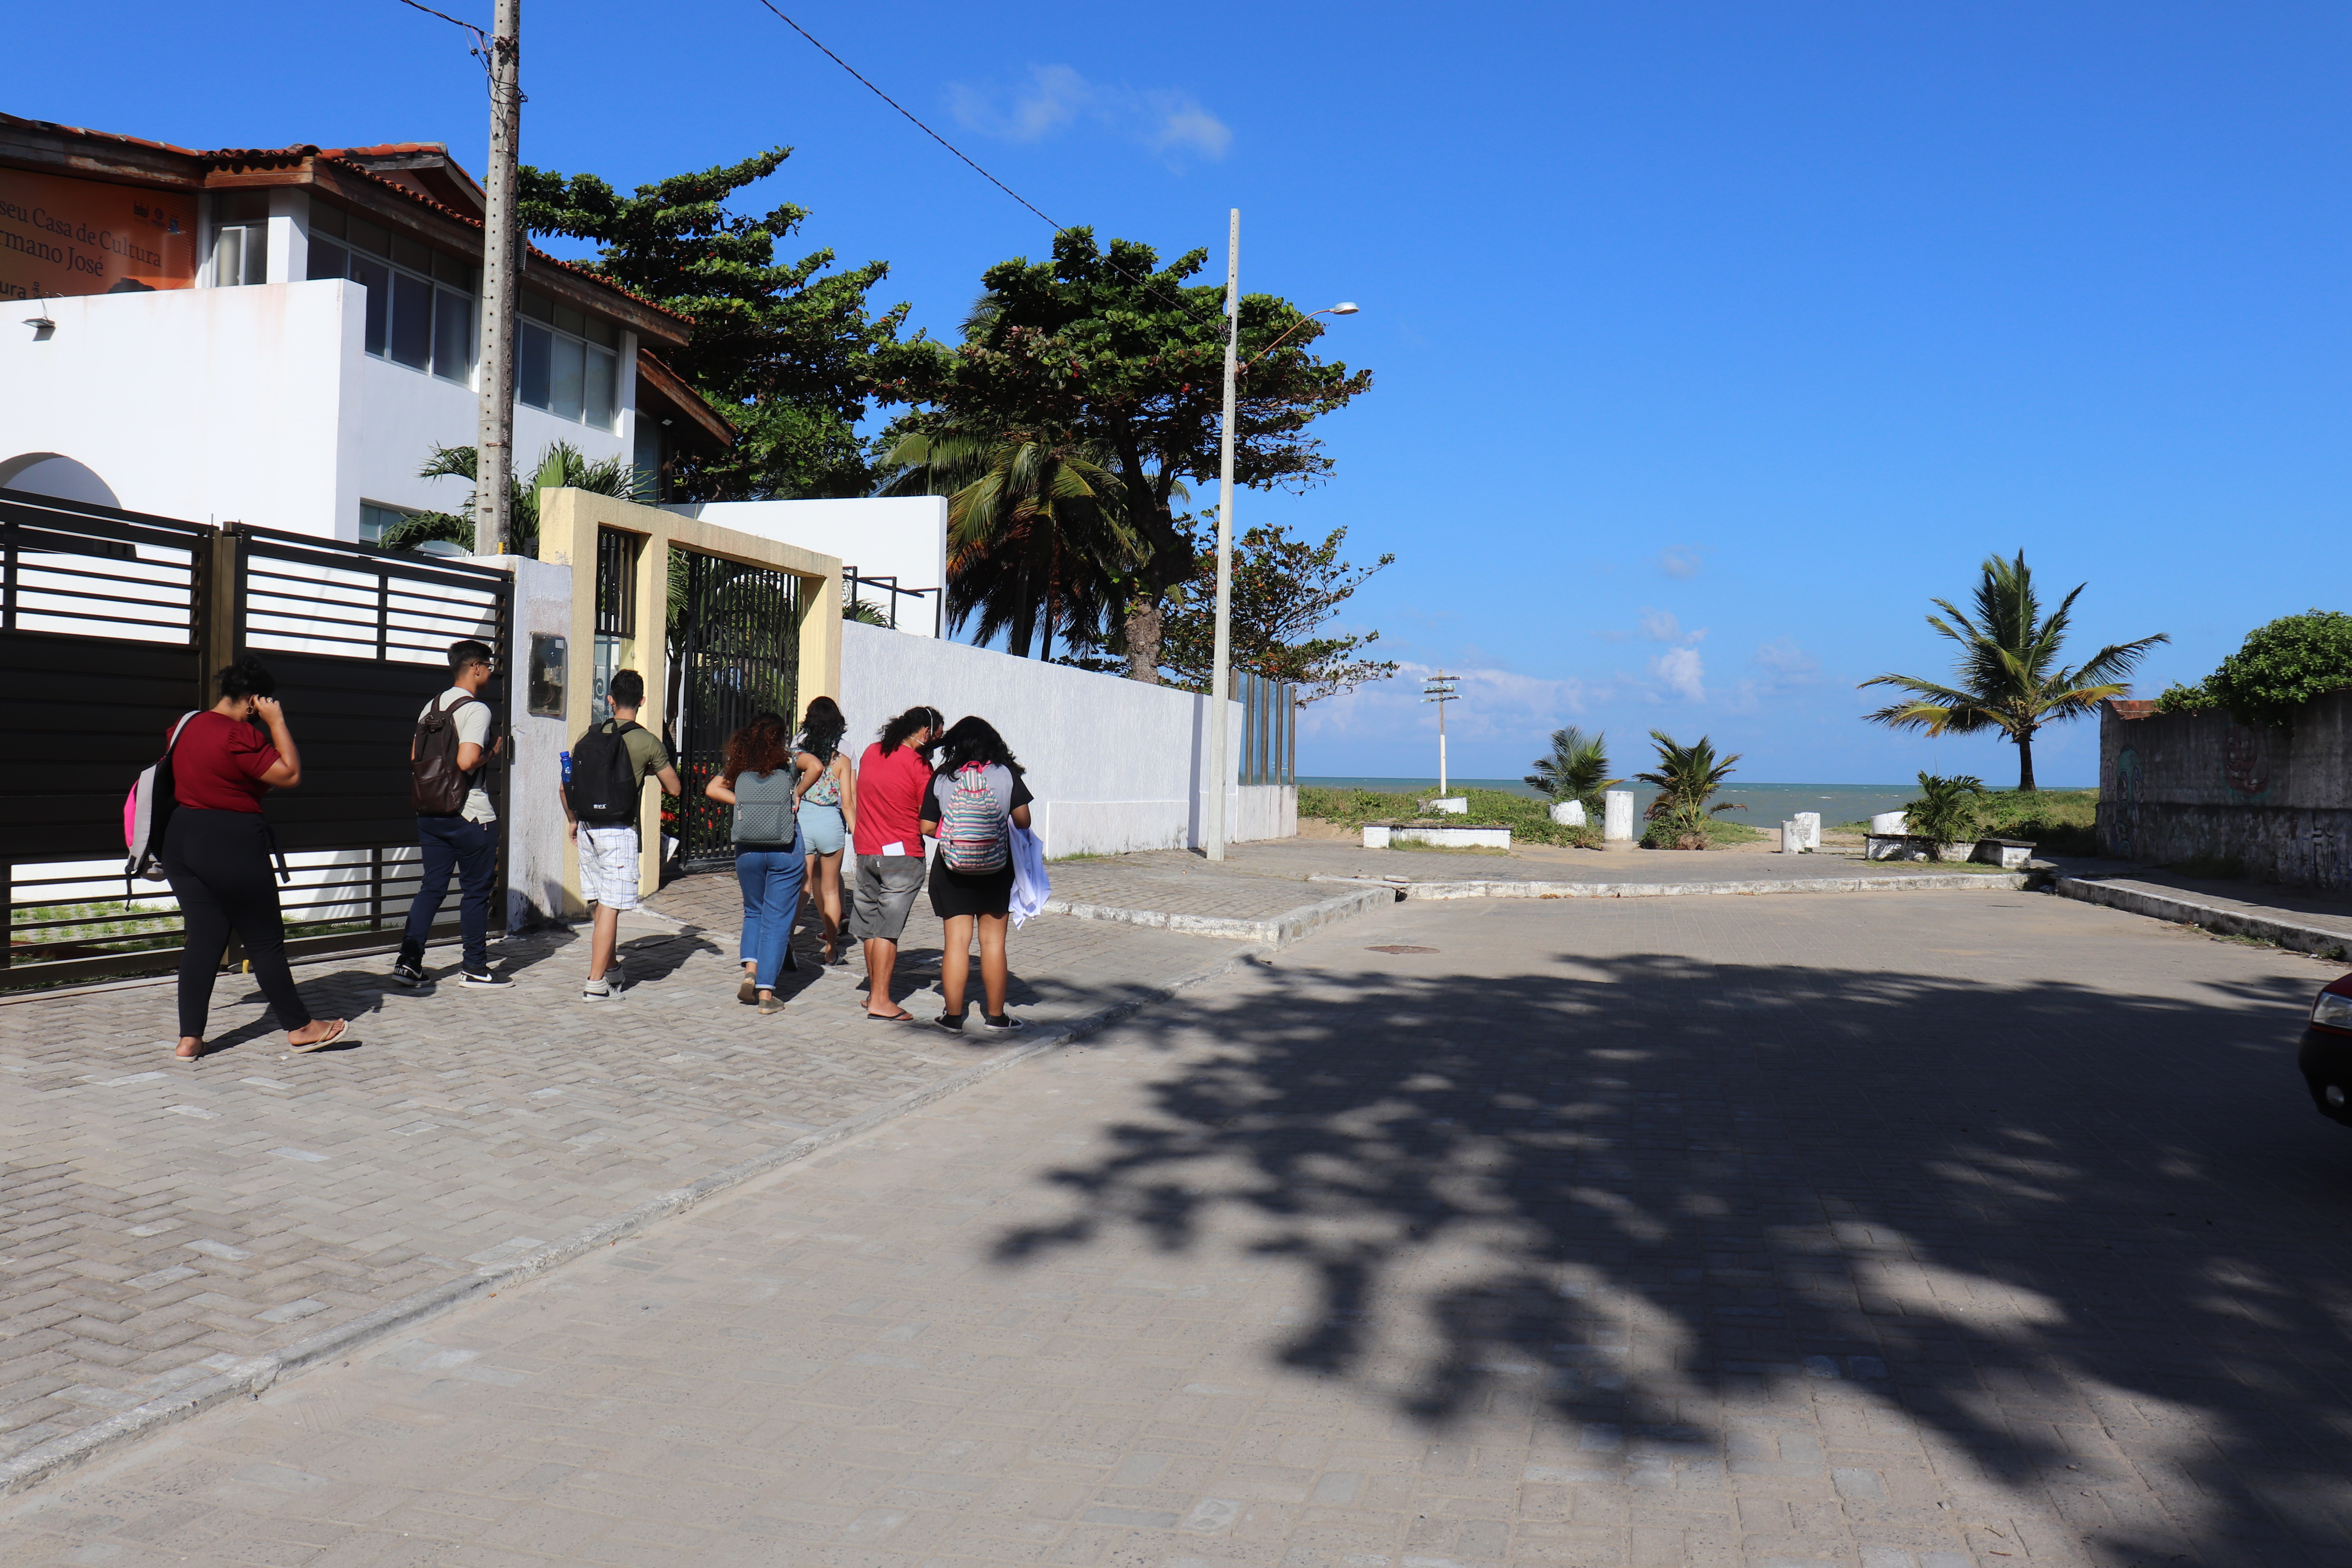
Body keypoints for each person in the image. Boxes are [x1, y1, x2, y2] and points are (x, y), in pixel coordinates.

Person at [160, 656, 347, 1060]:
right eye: (264, 705)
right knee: (264, 942)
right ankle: (300, 1027)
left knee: (204, 939)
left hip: (181, 841)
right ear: (251, 701)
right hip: (229, 842)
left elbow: (215, 776)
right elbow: (291, 774)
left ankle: (189, 1038)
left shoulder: (185, 725)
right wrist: (277, 722)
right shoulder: (239, 735)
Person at [391, 639, 508, 989]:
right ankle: (474, 967)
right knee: (475, 892)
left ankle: (408, 963)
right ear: (475, 667)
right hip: (469, 813)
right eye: (488, 665)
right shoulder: (477, 710)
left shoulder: (430, 707)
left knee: (432, 888)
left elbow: (415, 756)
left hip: (431, 812)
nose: (490, 671)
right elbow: (467, 761)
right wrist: (493, 751)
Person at [558, 668, 680, 1002]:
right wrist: (646, 767)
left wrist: (572, 821)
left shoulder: (589, 735)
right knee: (611, 908)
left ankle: (612, 969)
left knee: (601, 905)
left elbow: (565, 786)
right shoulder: (648, 742)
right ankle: (596, 984)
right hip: (620, 830)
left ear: (610, 700)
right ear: (642, 701)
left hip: (587, 828)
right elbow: (675, 788)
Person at [918, 715, 1033, 1035]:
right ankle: (996, 1017)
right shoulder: (1006, 774)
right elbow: (1023, 821)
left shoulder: (943, 777)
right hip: (996, 868)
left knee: (956, 942)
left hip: (952, 869)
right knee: (993, 944)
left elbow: (927, 827)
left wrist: (956, 829)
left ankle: (953, 1017)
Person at [703, 711, 807, 1014]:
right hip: (784, 847)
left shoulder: (740, 765)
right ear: (781, 736)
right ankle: (766, 994)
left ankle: (750, 972)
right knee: (777, 920)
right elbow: (815, 766)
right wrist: (795, 795)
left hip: (748, 848)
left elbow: (712, 789)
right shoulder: (789, 761)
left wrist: (747, 803)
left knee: (754, 912)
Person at [848, 705, 942, 1022]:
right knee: (888, 930)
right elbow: (928, 818)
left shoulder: (872, 752)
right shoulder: (919, 766)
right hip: (902, 856)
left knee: (871, 927)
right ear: (926, 734)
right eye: (936, 737)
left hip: (865, 852)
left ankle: (874, 993)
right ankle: (881, 1000)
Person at [794, 695, 858, 965]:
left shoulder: (799, 751)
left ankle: (785, 940)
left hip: (805, 821)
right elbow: (848, 802)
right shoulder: (842, 759)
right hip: (832, 824)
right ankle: (832, 949)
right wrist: (858, 834)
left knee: (803, 888)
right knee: (832, 890)